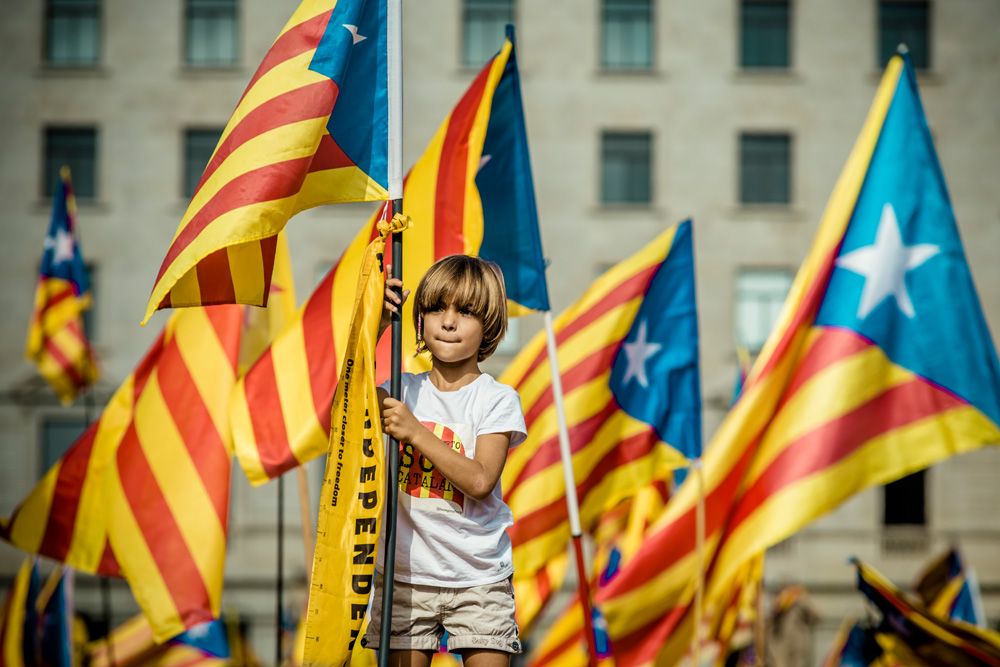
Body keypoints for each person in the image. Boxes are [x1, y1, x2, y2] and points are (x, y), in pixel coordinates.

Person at [362, 255, 527, 667]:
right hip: (405, 575)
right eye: (436, 308)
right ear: (419, 318)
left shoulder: (497, 399)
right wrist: (375, 325)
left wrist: (416, 432)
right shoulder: (399, 390)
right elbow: (342, 407)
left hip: (478, 575)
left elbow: (480, 480)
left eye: (465, 311)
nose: (448, 322)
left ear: (488, 325)